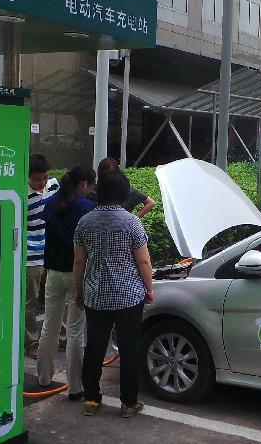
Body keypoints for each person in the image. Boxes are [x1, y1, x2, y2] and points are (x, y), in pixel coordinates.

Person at [74, 170, 154, 418]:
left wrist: (79, 292)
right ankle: (129, 403)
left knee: (94, 347)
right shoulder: (132, 222)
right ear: (123, 194)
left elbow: (79, 263)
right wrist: (149, 288)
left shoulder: (85, 222)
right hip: (129, 296)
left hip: (96, 296)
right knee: (129, 348)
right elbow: (143, 261)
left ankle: (90, 399)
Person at [37, 164, 96, 401]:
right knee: (75, 331)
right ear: (83, 184)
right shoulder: (86, 207)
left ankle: (43, 378)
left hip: (52, 272)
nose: (91, 189)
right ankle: (75, 388)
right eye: (90, 185)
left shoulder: (51, 202)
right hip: (76, 274)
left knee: (49, 325)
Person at [26, 154, 59, 358]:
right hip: (31, 256)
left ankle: (59, 338)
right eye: (37, 179)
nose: (42, 183)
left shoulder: (54, 185)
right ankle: (31, 342)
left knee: (56, 298)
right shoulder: (20, 194)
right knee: (31, 301)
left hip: (52, 251)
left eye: (45, 178)